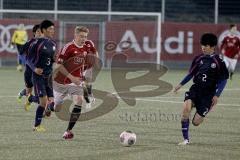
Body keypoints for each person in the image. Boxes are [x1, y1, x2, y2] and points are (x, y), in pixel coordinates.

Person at [174, 33, 229, 145]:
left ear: (213, 47)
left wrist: (217, 95)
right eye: (202, 45)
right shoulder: (198, 59)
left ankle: (207, 107)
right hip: (196, 89)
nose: (203, 47)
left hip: (208, 94)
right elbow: (191, 73)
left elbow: (223, 79)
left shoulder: (219, 61)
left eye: (206, 45)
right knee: (186, 108)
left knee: (196, 122)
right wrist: (180, 84)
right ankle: (186, 139)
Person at [46, 26, 97, 139]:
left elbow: (92, 58)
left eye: (85, 37)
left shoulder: (86, 48)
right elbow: (58, 66)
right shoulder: (67, 48)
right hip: (60, 82)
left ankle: (68, 131)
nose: (84, 39)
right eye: (81, 36)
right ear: (75, 35)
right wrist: (71, 77)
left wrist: (80, 77)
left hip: (75, 83)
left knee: (79, 100)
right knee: (57, 108)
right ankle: (50, 106)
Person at [26, 20, 56, 132]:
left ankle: (31, 98)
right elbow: (28, 59)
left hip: (49, 77)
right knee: (43, 102)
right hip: (38, 77)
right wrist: (34, 68)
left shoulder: (53, 44)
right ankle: (36, 126)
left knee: (52, 103)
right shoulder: (36, 43)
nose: (53, 31)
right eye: (50, 29)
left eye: (53, 29)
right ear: (43, 30)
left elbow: (52, 59)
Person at [17, 24, 43, 111]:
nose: (40, 33)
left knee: (41, 93)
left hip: (39, 72)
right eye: (38, 32)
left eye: (42, 32)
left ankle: (44, 109)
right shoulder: (29, 42)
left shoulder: (46, 43)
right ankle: (27, 98)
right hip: (29, 71)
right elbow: (21, 52)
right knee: (29, 91)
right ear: (34, 33)